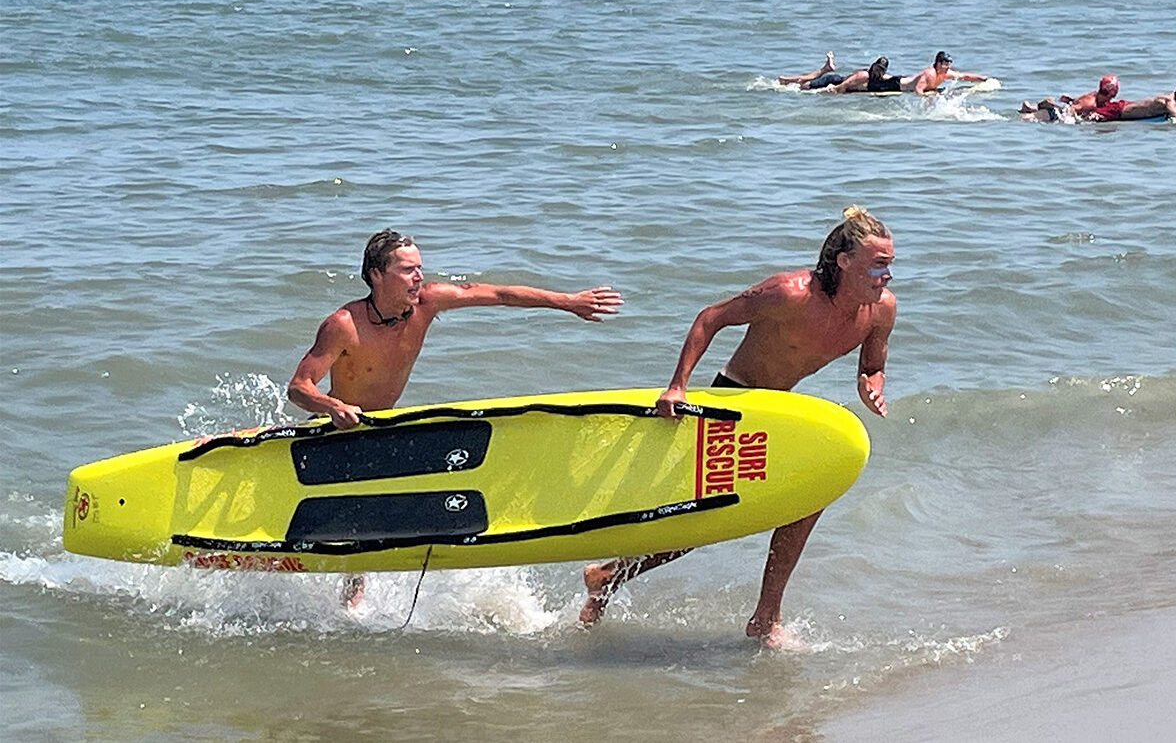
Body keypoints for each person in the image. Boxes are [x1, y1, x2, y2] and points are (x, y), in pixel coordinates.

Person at [579, 206, 896, 647]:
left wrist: (872, 384)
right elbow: (711, 317)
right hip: (733, 400)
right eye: (878, 264)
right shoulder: (789, 293)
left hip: (779, 411)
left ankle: (766, 617)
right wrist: (678, 387)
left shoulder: (880, 311)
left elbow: (873, 364)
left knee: (814, 490)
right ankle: (608, 575)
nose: (887, 275)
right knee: (706, 523)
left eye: (890, 265)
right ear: (844, 261)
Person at [288, 228, 623, 606]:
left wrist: (567, 301)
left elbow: (498, 295)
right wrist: (334, 407)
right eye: (407, 270)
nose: (418, 277)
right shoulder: (344, 325)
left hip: (385, 429)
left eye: (420, 268)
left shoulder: (427, 303)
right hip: (338, 432)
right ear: (376, 275)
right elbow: (299, 387)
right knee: (354, 520)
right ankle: (345, 599)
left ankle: (361, 597)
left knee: (374, 519)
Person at [1019, 74, 1118, 121]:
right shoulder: (1091, 103)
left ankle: (1030, 107)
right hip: (1055, 113)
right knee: (1024, 119)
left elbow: (1077, 103)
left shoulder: (1094, 94)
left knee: (1031, 114)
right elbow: (1072, 110)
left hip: (1065, 105)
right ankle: (1047, 104)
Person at [1089, 81, 1176, 122]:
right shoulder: (1170, 100)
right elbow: (1172, 110)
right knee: (1088, 117)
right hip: (1119, 111)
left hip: (1126, 106)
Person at [902, 51, 990, 94]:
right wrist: (928, 99)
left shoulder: (945, 73)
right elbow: (918, 90)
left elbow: (964, 76)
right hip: (898, 85)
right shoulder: (930, 74)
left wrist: (982, 78)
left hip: (926, 89)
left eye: (949, 65)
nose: (948, 67)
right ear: (938, 63)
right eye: (945, 64)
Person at [777, 51, 844, 89]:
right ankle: (825, 68)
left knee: (805, 81)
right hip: (835, 80)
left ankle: (825, 68)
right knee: (805, 81)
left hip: (834, 80)